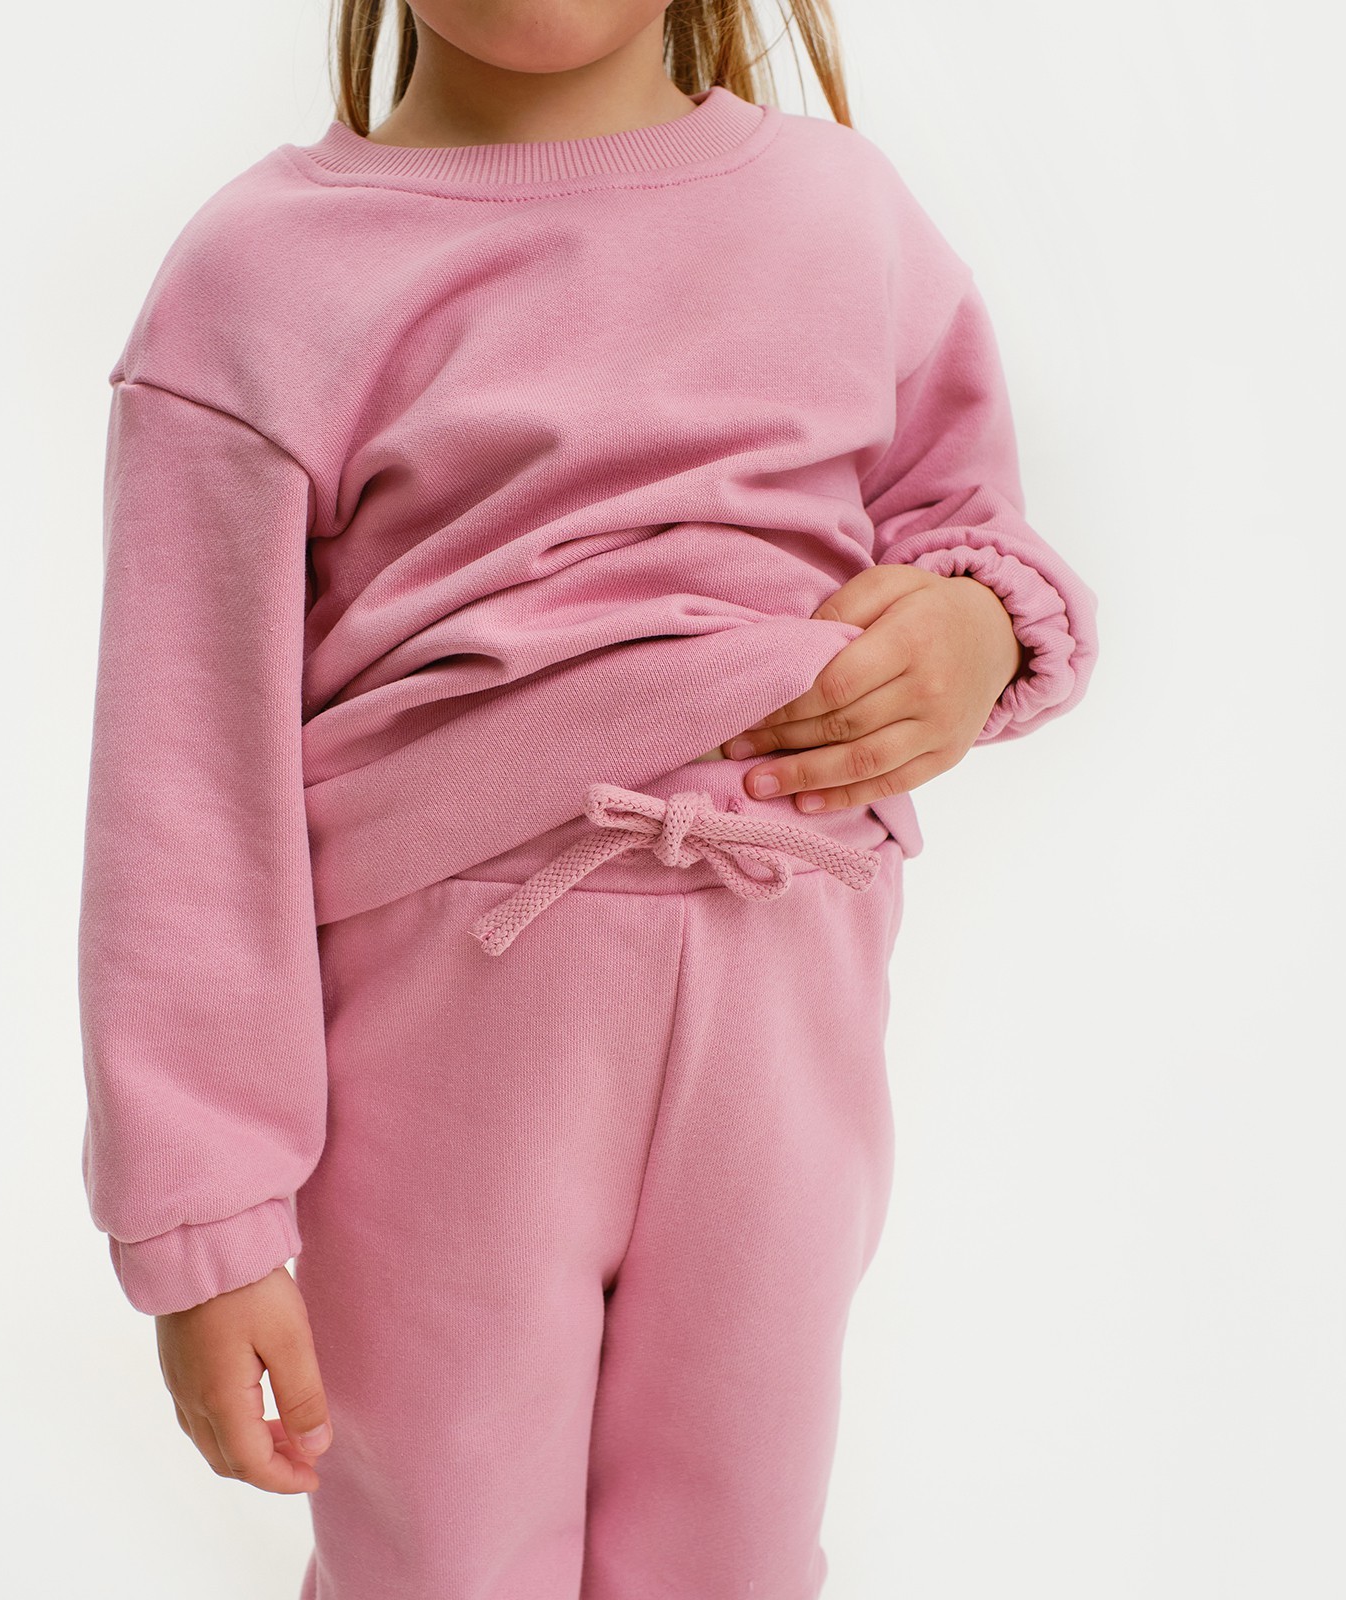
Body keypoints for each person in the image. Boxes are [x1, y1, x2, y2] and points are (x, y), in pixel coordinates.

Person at [75, 2, 1099, 1594]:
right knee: (447, 1547)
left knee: (735, 1540)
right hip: (443, 1015)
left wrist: (978, 629)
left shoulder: (843, 213)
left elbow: (969, 522)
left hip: (790, 970)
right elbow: (183, 780)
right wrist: (203, 1215)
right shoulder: (260, 277)